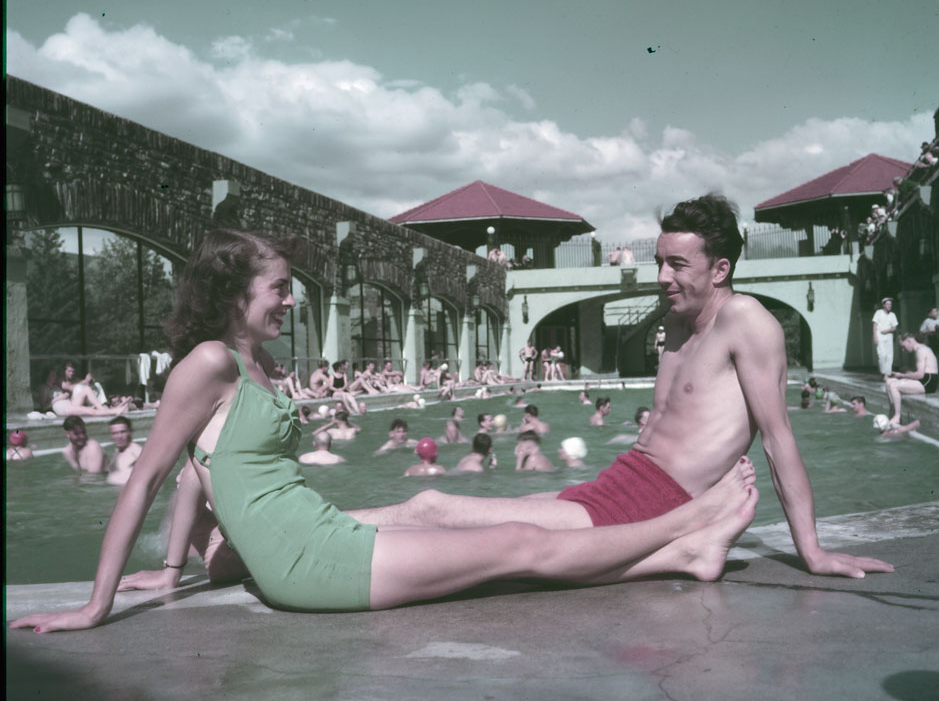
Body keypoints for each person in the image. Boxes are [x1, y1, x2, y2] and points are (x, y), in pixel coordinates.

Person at [11, 228, 764, 635]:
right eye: (279, 288)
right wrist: (96, 604)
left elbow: (196, 472)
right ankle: (687, 533)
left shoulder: (256, 361)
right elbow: (149, 476)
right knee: (518, 549)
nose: (291, 300)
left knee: (463, 525)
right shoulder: (210, 361)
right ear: (234, 291)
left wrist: (176, 569)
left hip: (312, 535)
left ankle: (681, 545)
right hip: (310, 562)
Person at [345, 194, 893, 580]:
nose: (661, 277)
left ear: (721, 268)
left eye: (678, 264)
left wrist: (813, 551)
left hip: (656, 505)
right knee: (441, 515)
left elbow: (778, 440)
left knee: (437, 510)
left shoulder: (747, 322)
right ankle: (291, 537)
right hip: (621, 485)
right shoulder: (677, 322)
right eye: (659, 262)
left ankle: (287, 540)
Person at [884, 332, 939, 427]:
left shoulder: (920, 351)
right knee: (889, 382)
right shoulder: (921, 349)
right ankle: (893, 414)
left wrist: (902, 375)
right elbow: (919, 372)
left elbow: (920, 375)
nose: (903, 349)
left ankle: (897, 416)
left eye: (903, 346)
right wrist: (906, 372)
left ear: (909, 341)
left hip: (928, 382)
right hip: (925, 379)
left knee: (894, 386)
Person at [106, 416, 142, 486]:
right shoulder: (118, 450)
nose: (119, 436)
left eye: (123, 432)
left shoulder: (137, 452)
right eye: (115, 433)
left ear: (130, 432)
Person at [872, 297, 898, 378]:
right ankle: (883, 373)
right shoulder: (878, 312)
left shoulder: (892, 315)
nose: (889, 306)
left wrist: (887, 331)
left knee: (889, 355)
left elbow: (894, 328)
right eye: (887, 304)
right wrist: (875, 337)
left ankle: (888, 373)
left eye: (890, 304)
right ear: (883, 305)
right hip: (880, 336)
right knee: (882, 355)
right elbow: (875, 325)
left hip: (889, 336)